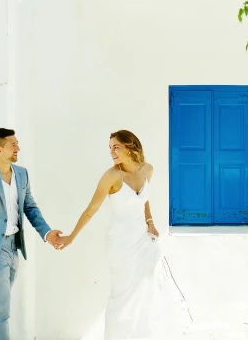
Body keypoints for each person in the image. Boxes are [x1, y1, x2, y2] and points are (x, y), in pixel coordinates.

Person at [59, 130, 191, 339]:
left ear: (129, 147)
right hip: (120, 243)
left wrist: (150, 222)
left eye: (116, 147)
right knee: (122, 296)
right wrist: (71, 236)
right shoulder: (112, 176)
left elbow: (144, 198)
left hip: (143, 239)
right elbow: (91, 210)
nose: (111, 152)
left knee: (149, 291)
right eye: (110, 148)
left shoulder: (147, 169)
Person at [0, 128, 63, 340]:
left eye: (17, 143)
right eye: (13, 145)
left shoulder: (21, 174)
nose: (18, 148)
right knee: (2, 312)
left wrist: (47, 233)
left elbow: (30, 207)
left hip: (14, 248)